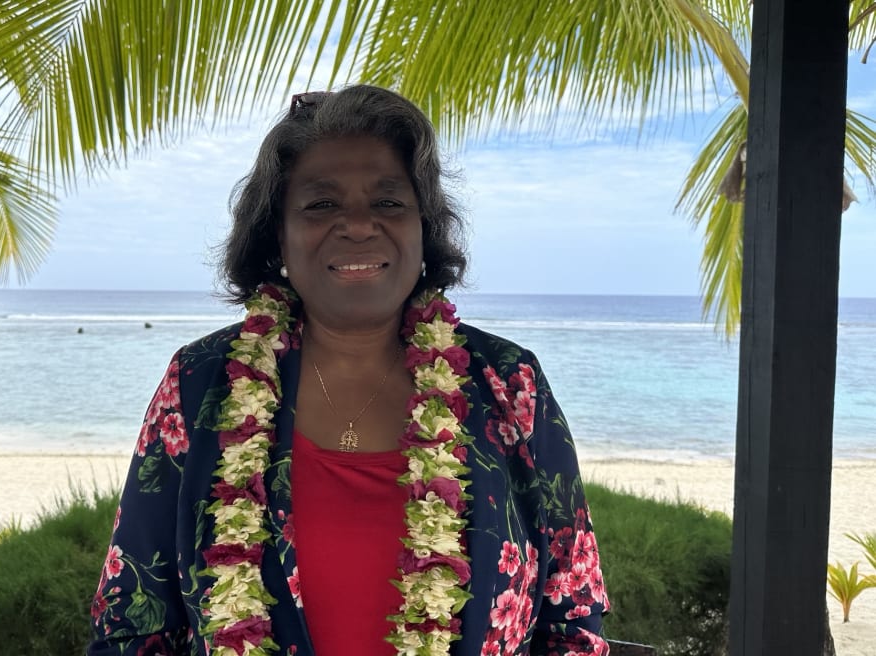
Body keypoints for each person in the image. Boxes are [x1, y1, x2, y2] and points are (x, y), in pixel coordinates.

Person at [87, 85, 610, 656]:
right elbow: (133, 621)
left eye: (388, 202)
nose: (358, 226)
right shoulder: (198, 383)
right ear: (277, 234)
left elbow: (573, 616)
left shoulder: (509, 384)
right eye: (321, 204)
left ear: (422, 228)